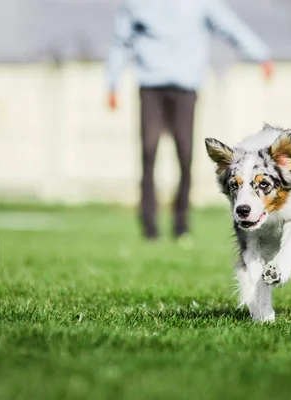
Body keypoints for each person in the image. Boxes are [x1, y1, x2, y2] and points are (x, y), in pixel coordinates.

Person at [106, 0, 273, 242]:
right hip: (150, 87)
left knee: (185, 156)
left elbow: (230, 26)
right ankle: (149, 226)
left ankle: (181, 225)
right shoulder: (136, 4)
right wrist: (112, 82)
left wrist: (261, 55)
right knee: (148, 153)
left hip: (186, 88)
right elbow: (120, 41)